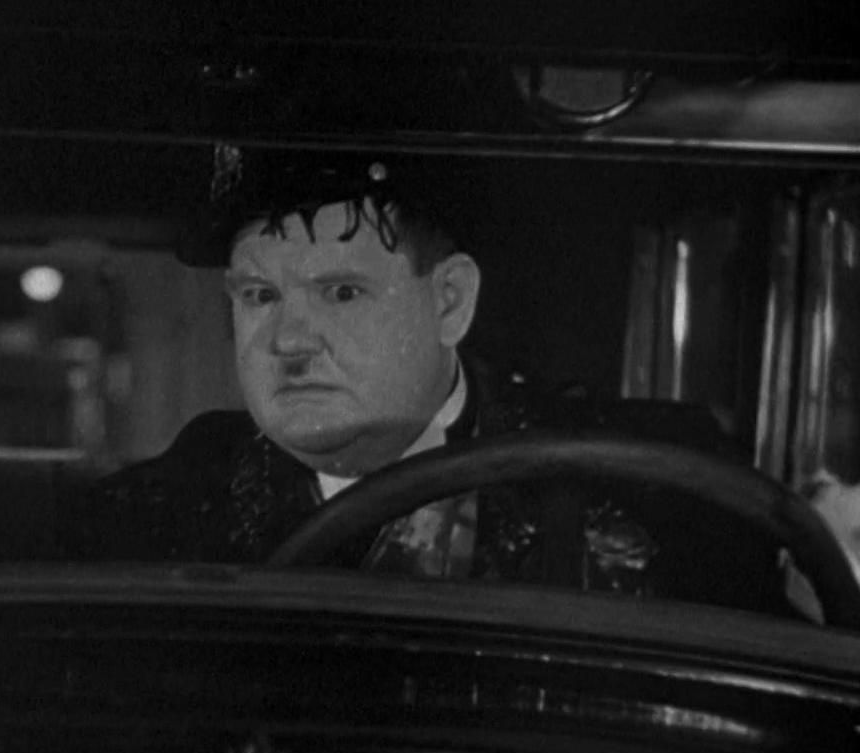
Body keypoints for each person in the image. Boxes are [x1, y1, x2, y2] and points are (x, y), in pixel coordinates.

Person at [65, 148, 796, 617]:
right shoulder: (153, 522)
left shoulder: (657, 497)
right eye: (260, 296)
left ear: (450, 302)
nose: (286, 340)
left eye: (341, 293)